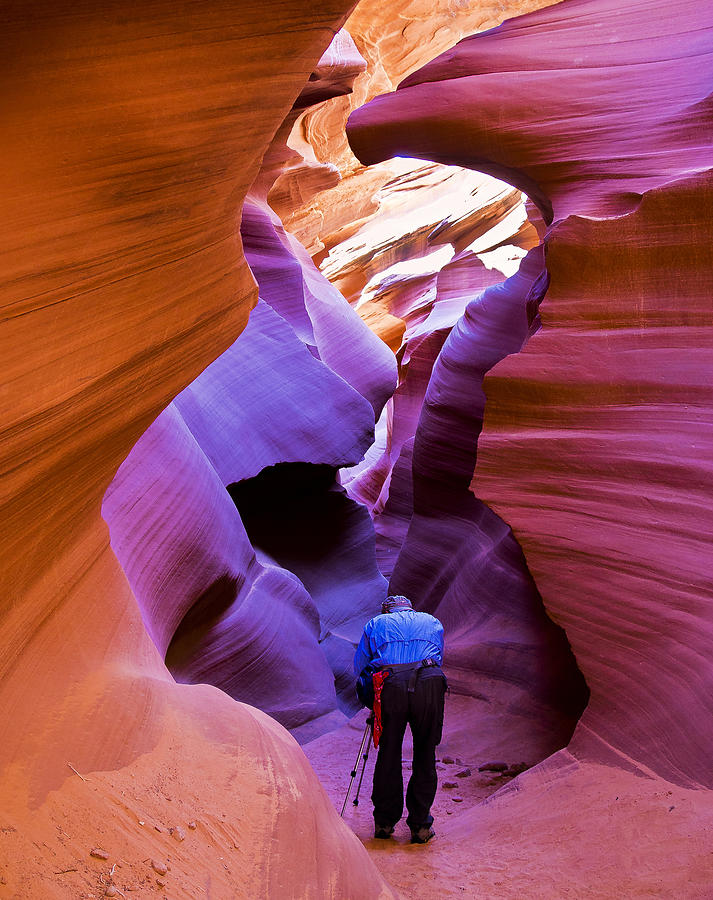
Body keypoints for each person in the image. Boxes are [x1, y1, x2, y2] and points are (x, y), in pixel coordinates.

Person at [353, 594, 447, 844]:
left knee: (389, 753)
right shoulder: (432, 622)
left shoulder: (375, 624)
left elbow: (362, 667)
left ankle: (384, 823)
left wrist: (372, 701)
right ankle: (421, 826)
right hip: (429, 681)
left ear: (387, 611)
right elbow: (439, 657)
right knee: (426, 752)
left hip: (391, 684)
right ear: (410, 609)